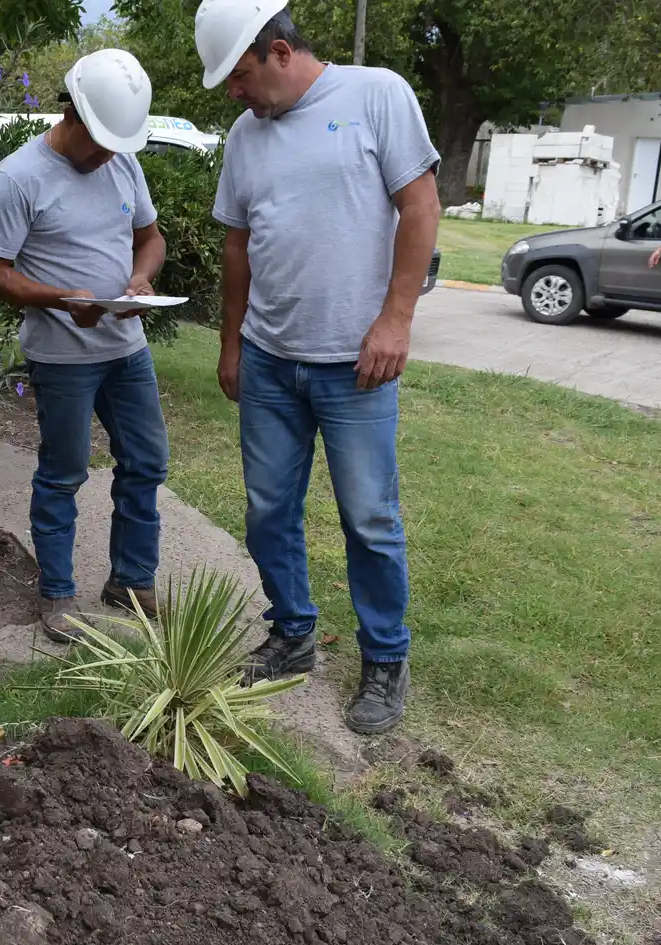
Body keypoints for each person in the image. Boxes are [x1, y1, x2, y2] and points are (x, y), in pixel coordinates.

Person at [195, 0, 441, 734]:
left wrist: (396, 319)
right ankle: (294, 632)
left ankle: (385, 659)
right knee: (269, 510)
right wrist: (232, 341)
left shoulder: (377, 95)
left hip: (355, 367)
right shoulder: (245, 136)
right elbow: (237, 245)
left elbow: (421, 207)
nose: (234, 94)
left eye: (239, 76)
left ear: (277, 51)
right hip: (270, 361)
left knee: (369, 519)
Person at [0, 48, 170, 643]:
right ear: (73, 115)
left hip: (126, 346)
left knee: (147, 461)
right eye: (103, 140)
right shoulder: (18, 178)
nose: (112, 153)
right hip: (63, 358)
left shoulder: (122, 164)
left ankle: (131, 580)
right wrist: (61, 298)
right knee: (63, 473)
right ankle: (57, 593)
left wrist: (141, 280)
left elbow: (151, 238)